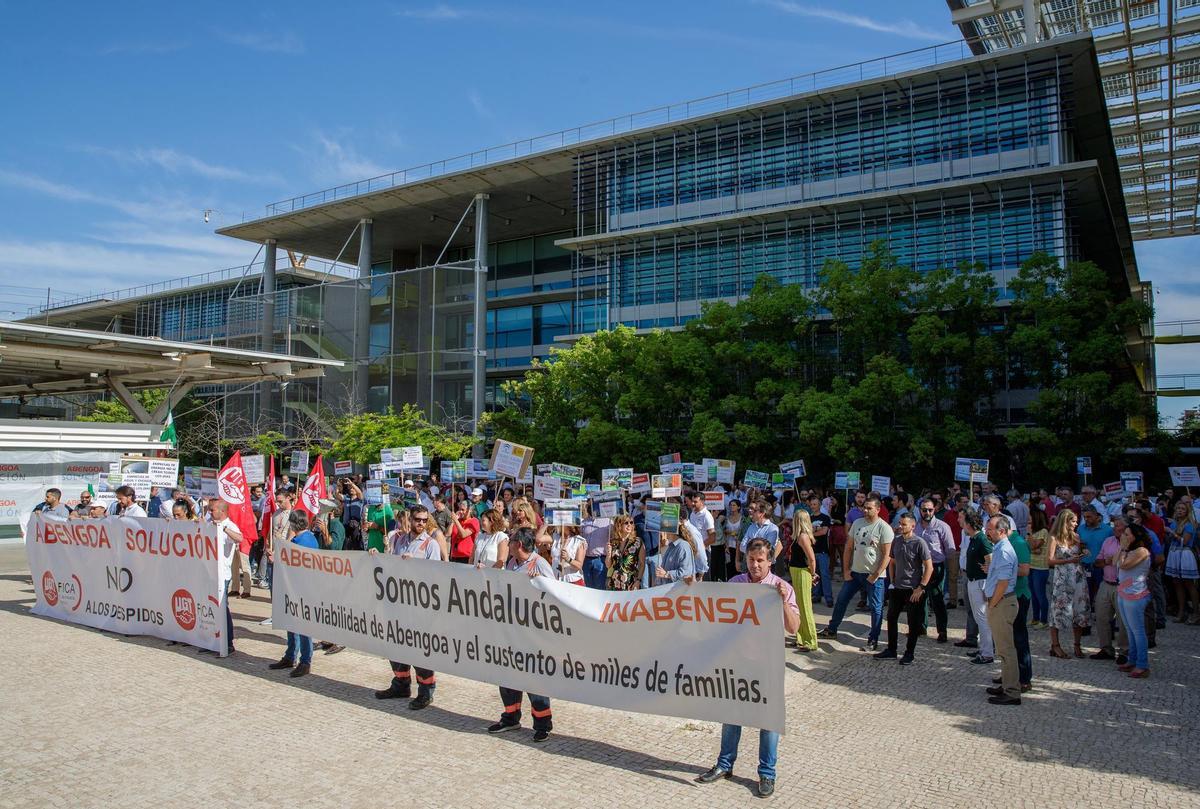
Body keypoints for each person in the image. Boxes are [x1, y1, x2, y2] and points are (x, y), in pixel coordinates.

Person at [695, 537, 799, 798]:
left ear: (770, 561)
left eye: (760, 560)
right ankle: (724, 764)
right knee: (732, 716)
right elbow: (714, 612)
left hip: (767, 665)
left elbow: (794, 627)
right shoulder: (735, 584)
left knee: (768, 720)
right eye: (751, 560)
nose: (754, 565)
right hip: (738, 663)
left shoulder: (780, 587)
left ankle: (767, 774)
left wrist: (783, 602)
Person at [489, 527, 555, 742]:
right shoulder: (512, 562)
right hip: (510, 629)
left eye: (510, 542)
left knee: (533, 678)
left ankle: (543, 723)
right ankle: (511, 715)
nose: (507, 546)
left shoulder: (540, 564)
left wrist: (539, 585)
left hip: (532, 633)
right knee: (506, 672)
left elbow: (555, 597)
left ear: (518, 545)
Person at [373, 504, 441, 710]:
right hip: (398, 603)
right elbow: (389, 566)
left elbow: (436, 576)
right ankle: (401, 684)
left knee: (419, 649)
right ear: (410, 520)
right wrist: (377, 556)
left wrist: (415, 565)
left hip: (419, 606)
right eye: (417, 519)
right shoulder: (399, 540)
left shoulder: (431, 545)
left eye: (424, 520)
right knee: (396, 644)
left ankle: (426, 692)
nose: (421, 523)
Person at [817, 494, 892, 651]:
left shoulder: (884, 528)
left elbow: (886, 555)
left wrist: (876, 574)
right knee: (842, 600)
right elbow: (849, 547)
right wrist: (846, 570)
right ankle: (832, 629)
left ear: (878, 509)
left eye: (869, 508)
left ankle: (873, 638)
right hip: (855, 573)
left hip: (874, 576)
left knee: (875, 607)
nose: (865, 510)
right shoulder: (857, 523)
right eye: (864, 507)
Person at [874, 513, 932, 665]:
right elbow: (892, 561)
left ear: (913, 526)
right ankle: (891, 650)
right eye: (900, 523)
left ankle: (909, 653)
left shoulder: (920, 543)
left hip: (913, 589)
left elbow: (929, 567)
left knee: (912, 623)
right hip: (897, 587)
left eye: (904, 524)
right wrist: (892, 581)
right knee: (892, 618)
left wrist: (921, 587)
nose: (900, 526)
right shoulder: (897, 541)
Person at [268, 510, 319, 677]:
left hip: (302, 588)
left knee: (302, 626)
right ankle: (291, 655)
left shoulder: (300, 542)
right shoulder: (309, 538)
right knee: (291, 622)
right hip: (296, 587)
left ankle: (305, 661)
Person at [984, 514, 1022, 705]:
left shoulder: (1005, 551)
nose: (987, 532)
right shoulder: (999, 548)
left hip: (1002, 602)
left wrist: (992, 603)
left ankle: (1012, 691)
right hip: (1000, 601)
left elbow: (1004, 582)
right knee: (1002, 648)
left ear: (1002, 531)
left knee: (1006, 649)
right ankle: (1007, 684)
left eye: (990, 529)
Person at [1048, 509, 1091, 658]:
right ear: (1065, 521)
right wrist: (1068, 560)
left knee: (1079, 611)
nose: (1076, 524)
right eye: (1073, 521)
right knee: (1058, 611)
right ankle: (1055, 645)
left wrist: (1084, 552)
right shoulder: (1054, 538)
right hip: (1062, 578)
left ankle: (1077, 645)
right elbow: (1049, 560)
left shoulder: (1077, 537)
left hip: (1078, 577)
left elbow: (1081, 552)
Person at [913, 497, 955, 643]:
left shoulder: (942, 526)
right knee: (919, 598)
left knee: (937, 599)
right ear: (920, 510)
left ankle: (942, 631)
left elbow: (950, 549)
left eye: (930, 509)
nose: (927, 512)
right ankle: (921, 627)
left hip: (936, 566)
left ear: (935, 509)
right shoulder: (916, 526)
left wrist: (946, 567)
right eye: (924, 510)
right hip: (919, 566)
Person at [1116, 522, 1154, 678]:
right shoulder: (1127, 550)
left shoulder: (1142, 551)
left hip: (1136, 594)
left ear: (1136, 536)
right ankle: (1132, 660)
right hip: (1123, 592)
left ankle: (1142, 665)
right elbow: (1114, 562)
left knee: (1138, 631)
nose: (1123, 536)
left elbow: (1124, 565)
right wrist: (1122, 548)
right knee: (1129, 629)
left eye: (1127, 534)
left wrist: (1123, 548)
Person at [209, 499, 243, 656]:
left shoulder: (230, 525)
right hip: (208, 571)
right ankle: (212, 639)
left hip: (222, 573)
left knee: (223, 606)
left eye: (212, 510)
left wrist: (224, 529)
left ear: (221, 511)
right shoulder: (209, 522)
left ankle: (228, 642)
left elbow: (239, 538)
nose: (210, 512)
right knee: (211, 606)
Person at [1090, 521, 1127, 662]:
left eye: (1119, 526)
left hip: (1122, 584)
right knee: (1101, 616)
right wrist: (1109, 561)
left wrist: (1112, 561)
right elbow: (1097, 562)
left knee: (1123, 620)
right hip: (1106, 582)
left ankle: (1124, 651)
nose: (1116, 528)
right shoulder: (1108, 541)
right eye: (1115, 526)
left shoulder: (1129, 543)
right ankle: (1106, 648)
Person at [960, 508, 994, 663]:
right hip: (973, 580)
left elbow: (991, 557)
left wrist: (989, 569)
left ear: (969, 524)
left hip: (981, 582)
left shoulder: (981, 539)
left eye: (964, 522)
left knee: (983, 618)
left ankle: (987, 653)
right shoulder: (974, 539)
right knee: (978, 616)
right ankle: (983, 648)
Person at [789, 509, 819, 652]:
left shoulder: (803, 537)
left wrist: (813, 574)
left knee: (805, 607)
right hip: (796, 571)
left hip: (802, 572)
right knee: (798, 607)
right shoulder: (798, 536)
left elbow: (811, 558)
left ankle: (811, 640)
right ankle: (801, 638)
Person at [1165, 500, 1199, 623]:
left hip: (1185, 553)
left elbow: (1184, 541)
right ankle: (1181, 611)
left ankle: (1196, 613)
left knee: (1189, 584)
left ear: (1187, 511)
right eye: (1178, 508)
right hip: (1174, 552)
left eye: (1182, 509)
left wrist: (1171, 533)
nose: (1179, 510)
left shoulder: (1189, 524)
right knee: (1177, 583)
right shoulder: (1174, 523)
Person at [806, 494, 834, 607]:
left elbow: (824, 532)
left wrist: (811, 533)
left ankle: (829, 598)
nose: (813, 506)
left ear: (819, 505)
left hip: (822, 551)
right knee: (814, 574)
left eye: (815, 504)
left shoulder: (825, 518)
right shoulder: (808, 518)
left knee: (825, 575)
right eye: (811, 504)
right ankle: (816, 595)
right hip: (811, 550)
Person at [1027, 502, 1051, 629]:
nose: (1028, 519)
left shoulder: (1043, 532)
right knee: (1033, 594)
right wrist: (1032, 547)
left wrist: (1030, 535)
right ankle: (1035, 618)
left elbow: (1035, 547)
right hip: (1031, 566)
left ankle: (1044, 619)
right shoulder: (1034, 533)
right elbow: (1031, 548)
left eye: (1030, 517)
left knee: (1040, 594)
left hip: (1040, 568)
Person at [605, 514, 644, 590]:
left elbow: (642, 564)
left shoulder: (638, 542)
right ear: (619, 525)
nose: (629, 525)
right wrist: (608, 554)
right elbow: (608, 565)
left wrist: (638, 580)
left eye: (631, 522)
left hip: (631, 582)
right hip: (614, 582)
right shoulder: (613, 542)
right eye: (626, 523)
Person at [579, 504, 613, 589]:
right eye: (589, 506)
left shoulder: (608, 522)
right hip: (585, 560)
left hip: (600, 560)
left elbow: (614, 538)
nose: (591, 508)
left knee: (599, 588)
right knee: (588, 587)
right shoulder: (584, 522)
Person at [712, 498, 744, 583]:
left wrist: (735, 534)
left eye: (734, 505)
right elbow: (723, 531)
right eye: (730, 505)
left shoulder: (743, 519)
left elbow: (743, 532)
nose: (731, 507)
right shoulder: (727, 518)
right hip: (728, 546)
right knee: (729, 567)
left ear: (738, 507)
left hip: (738, 546)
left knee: (737, 567)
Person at [448, 498, 480, 563]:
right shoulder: (458, 521)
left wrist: (456, 521)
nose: (460, 512)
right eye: (459, 509)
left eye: (463, 510)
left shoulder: (474, 521)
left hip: (466, 556)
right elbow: (448, 533)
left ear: (469, 510)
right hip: (454, 555)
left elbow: (463, 534)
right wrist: (453, 521)